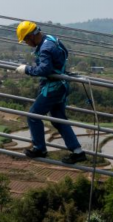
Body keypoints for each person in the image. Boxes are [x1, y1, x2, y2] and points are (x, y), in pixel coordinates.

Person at [14, 21, 87, 164]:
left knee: (33, 116)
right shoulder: (51, 39)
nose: (26, 44)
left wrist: (27, 69)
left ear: (31, 36)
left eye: (26, 40)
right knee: (58, 119)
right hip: (60, 85)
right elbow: (64, 54)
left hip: (53, 88)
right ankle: (78, 152)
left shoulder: (45, 48)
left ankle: (40, 149)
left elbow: (44, 69)